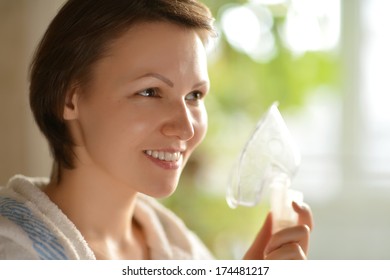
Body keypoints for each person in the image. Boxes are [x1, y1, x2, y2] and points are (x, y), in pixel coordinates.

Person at [0, 0, 313, 260]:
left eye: (194, 96)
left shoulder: (183, 253)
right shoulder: (13, 251)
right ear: (69, 98)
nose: (186, 128)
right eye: (149, 92)